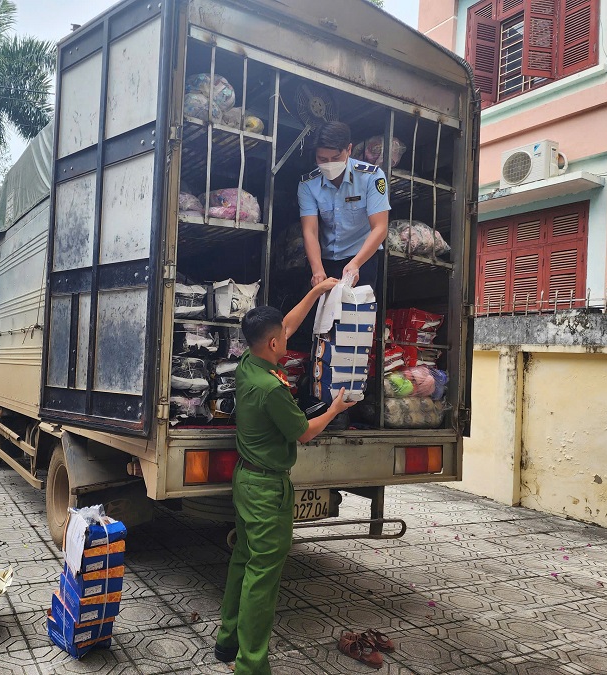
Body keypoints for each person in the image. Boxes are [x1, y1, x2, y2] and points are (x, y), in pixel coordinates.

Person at [215, 279, 359, 675]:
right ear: (274, 345)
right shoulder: (271, 389)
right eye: (281, 337)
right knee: (263, 578)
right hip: (267, 491)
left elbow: (288, 325)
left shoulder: (248, 365)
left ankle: (227, 642)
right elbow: (304, 432)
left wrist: (314, 292)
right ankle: (250, 665)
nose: (286, 336)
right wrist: (333, 408)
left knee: (244, 562)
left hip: (246, 482)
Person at [297, 121, 391, 290]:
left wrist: (356, 264)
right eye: (322, 159)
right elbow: (309, 230)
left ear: (348, 149)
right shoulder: (308, 184)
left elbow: (380, 227)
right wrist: (317, 269)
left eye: (335, 158)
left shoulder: (372, 176)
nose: (329, 164)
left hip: (363, 258)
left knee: (358, 313)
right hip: (325, 260)